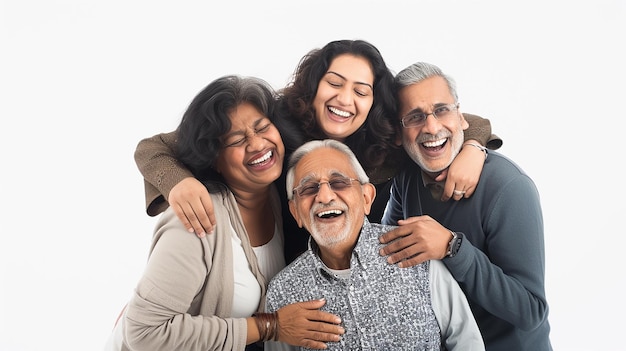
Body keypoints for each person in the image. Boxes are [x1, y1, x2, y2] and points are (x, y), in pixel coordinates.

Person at [134, 39, 502, 263]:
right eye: (334, 83)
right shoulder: (273, 119)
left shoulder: (387, 137)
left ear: (375, 102)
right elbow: (154, 148)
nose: (344, 100)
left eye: (361, 91)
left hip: (357, 280)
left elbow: (464, 120)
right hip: (268, 273)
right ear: (314, 84)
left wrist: (472, 146)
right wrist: (178, 182)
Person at [105, 75, 344, 351]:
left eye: (262, 128)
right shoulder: (196, 221)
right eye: (236, 140)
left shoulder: (277, 197)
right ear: (214, 160)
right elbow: (144, 331)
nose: (256, 145)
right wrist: (271, 326)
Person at [379, 62, 552, 350]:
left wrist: (452, 246)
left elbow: (531, 311)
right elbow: (389, 250)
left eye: (442, 110)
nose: (431, 127)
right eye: (415, 117)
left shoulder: (510, 188)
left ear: (461, 116)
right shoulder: (407, 176)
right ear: (399, 132)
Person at [263, 139, 484, 351]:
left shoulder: (414, 250)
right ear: (295, 212)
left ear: (367, 198)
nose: (324, 196)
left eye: (339, 182)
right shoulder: (282, 293)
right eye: (309, 188)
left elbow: (467, 341)